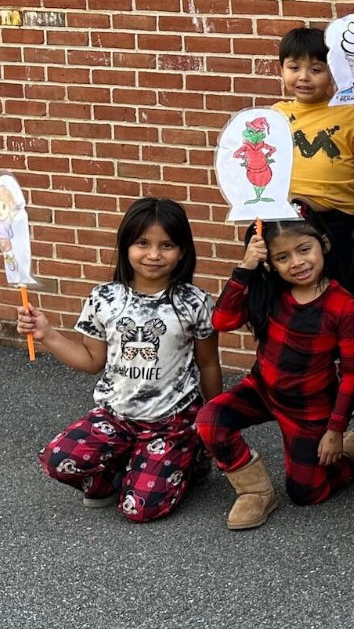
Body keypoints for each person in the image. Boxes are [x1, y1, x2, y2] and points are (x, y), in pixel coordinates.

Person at [18, 198, 221, 521]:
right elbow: (90, 360)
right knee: (57, 458)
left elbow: (209, 363)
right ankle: (114, 474)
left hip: (171, 421)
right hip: (116, 417)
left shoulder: (193, 302)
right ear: (126, 245)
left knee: (139, 510)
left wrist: (217, 420)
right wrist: (48, 335)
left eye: (166, 245)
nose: (154, 254)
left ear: (182, 250)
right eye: (143, 243)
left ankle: (192, 458)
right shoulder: (104, 298)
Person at [199, 209, 354, 529]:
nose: (296, 263)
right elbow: (222, 321)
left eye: (304, 250)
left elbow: (352, 374)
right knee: (209, 419)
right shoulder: (271, 290)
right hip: (262, 390)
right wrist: (245, 268)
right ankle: (256, 492)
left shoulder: (343, 304)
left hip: (309, 407)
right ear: (271, 263)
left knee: (306, 493)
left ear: (323, 244)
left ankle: (351, 450)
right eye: (282, 257)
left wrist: (335, 431)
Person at [274, 26, 354, 297]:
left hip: (340, 223)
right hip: (290, 221)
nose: (303, 77)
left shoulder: (350, 113)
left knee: (342, 293)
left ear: (333, 73)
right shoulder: (275, 115)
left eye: (315, 69)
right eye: (294, 67)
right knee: (292, 296)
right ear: (281, 71)